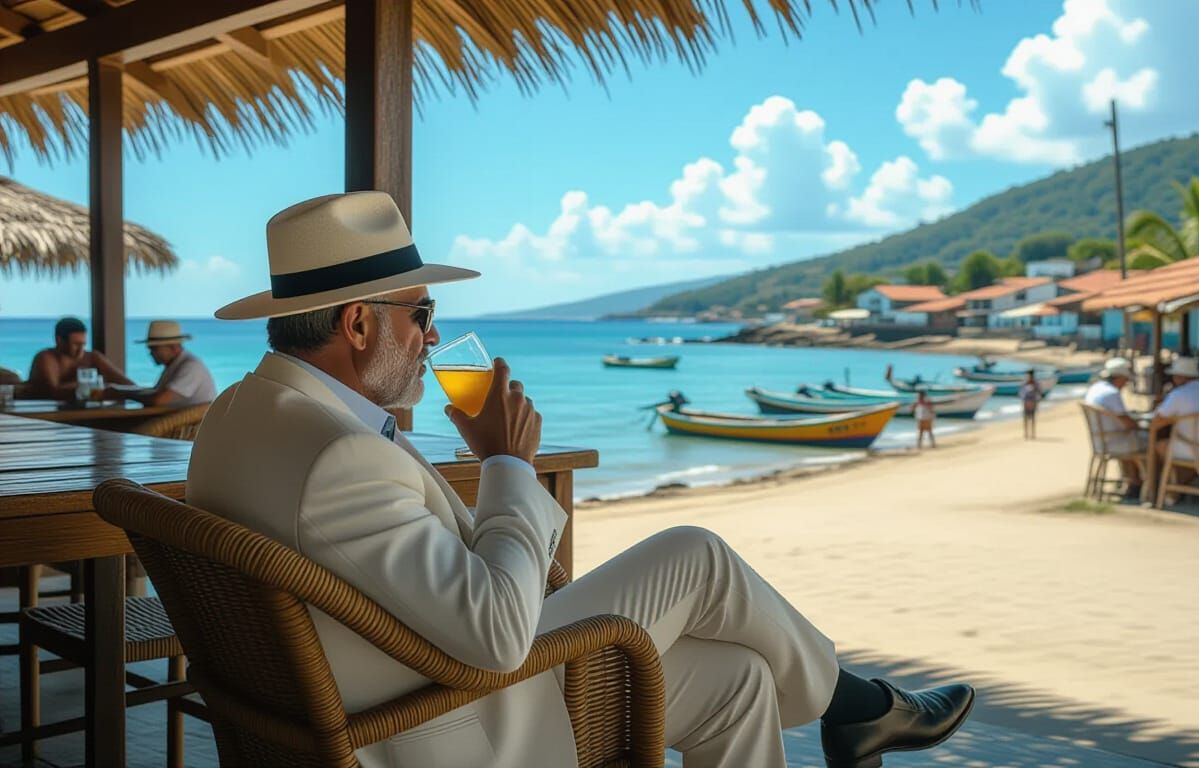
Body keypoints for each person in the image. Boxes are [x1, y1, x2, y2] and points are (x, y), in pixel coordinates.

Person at [187, 193, 974, 768]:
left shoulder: (239, 416)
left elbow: (412, 581)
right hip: (440, 723)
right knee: (696, 554)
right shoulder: (340, 458)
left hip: (389, 683)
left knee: (738, 680)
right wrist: (506, 464)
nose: (433, 336)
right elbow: (497, 638)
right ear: (359, 324)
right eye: (420, 314)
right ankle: (854, 706)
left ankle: (852, 706)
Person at [24, 317, 134, 400]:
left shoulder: (92, 357)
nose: (81, 349)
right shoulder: (46, 358)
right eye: (76, 344)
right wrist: (95, 386)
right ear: (59, 340)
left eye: (83, 344)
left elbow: (127, 384)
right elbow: (53, 391)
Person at [1152, 355, 1199, 472]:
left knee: (1159, 445)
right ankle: (1193, 480)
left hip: (1192, 452)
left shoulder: (1179, 394)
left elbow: (1155, 423)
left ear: (1179, 377)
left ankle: (1169, 481)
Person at [1083, 357, 1144, 498]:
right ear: (1120, 378)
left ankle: (1131, 481)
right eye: (1126, 380)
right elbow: (1128, 423)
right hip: (1114, 441)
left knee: (1134, 439)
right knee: (1149, 443)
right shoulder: (1112, 393)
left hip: (1101, 440)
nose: (1126, 383)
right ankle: (1141, 484)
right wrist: (1141, 424)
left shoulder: (1096, 388)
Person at [130, 320, 217, 406]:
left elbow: (159, 401)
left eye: (155, 348)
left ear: (173, 347)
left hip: (191, 416)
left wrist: (128, 395)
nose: (151, 353)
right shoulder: (175, 364)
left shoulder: (191, 366)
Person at [1018, 369, 1043, 440]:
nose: (1029, 376)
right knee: (1026, 418)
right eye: (1028, 375)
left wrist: (1037, 402)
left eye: (1030, 375)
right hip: (1026, 403)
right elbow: (1021, 394)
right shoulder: (1024, 383)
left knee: (1032, 418)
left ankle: (1032, 433)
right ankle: (1026, 433)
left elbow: (1039, 393)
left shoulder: (1035, 384)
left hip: (1033, 403)